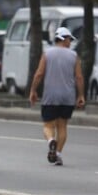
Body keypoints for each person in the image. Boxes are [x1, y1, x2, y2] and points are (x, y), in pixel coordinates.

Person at [29, 27, 85, 166]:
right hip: (68, 96)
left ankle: (50, 141)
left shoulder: (47, 54)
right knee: (62, 126)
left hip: (50, 96)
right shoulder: (74, 55)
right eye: (69, 39)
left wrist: (33, 90)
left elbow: (39, 74)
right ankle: (58, 154)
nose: (70, 42)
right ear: (63, 38)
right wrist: (81, 95)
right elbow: (78, 77)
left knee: (48, 125)